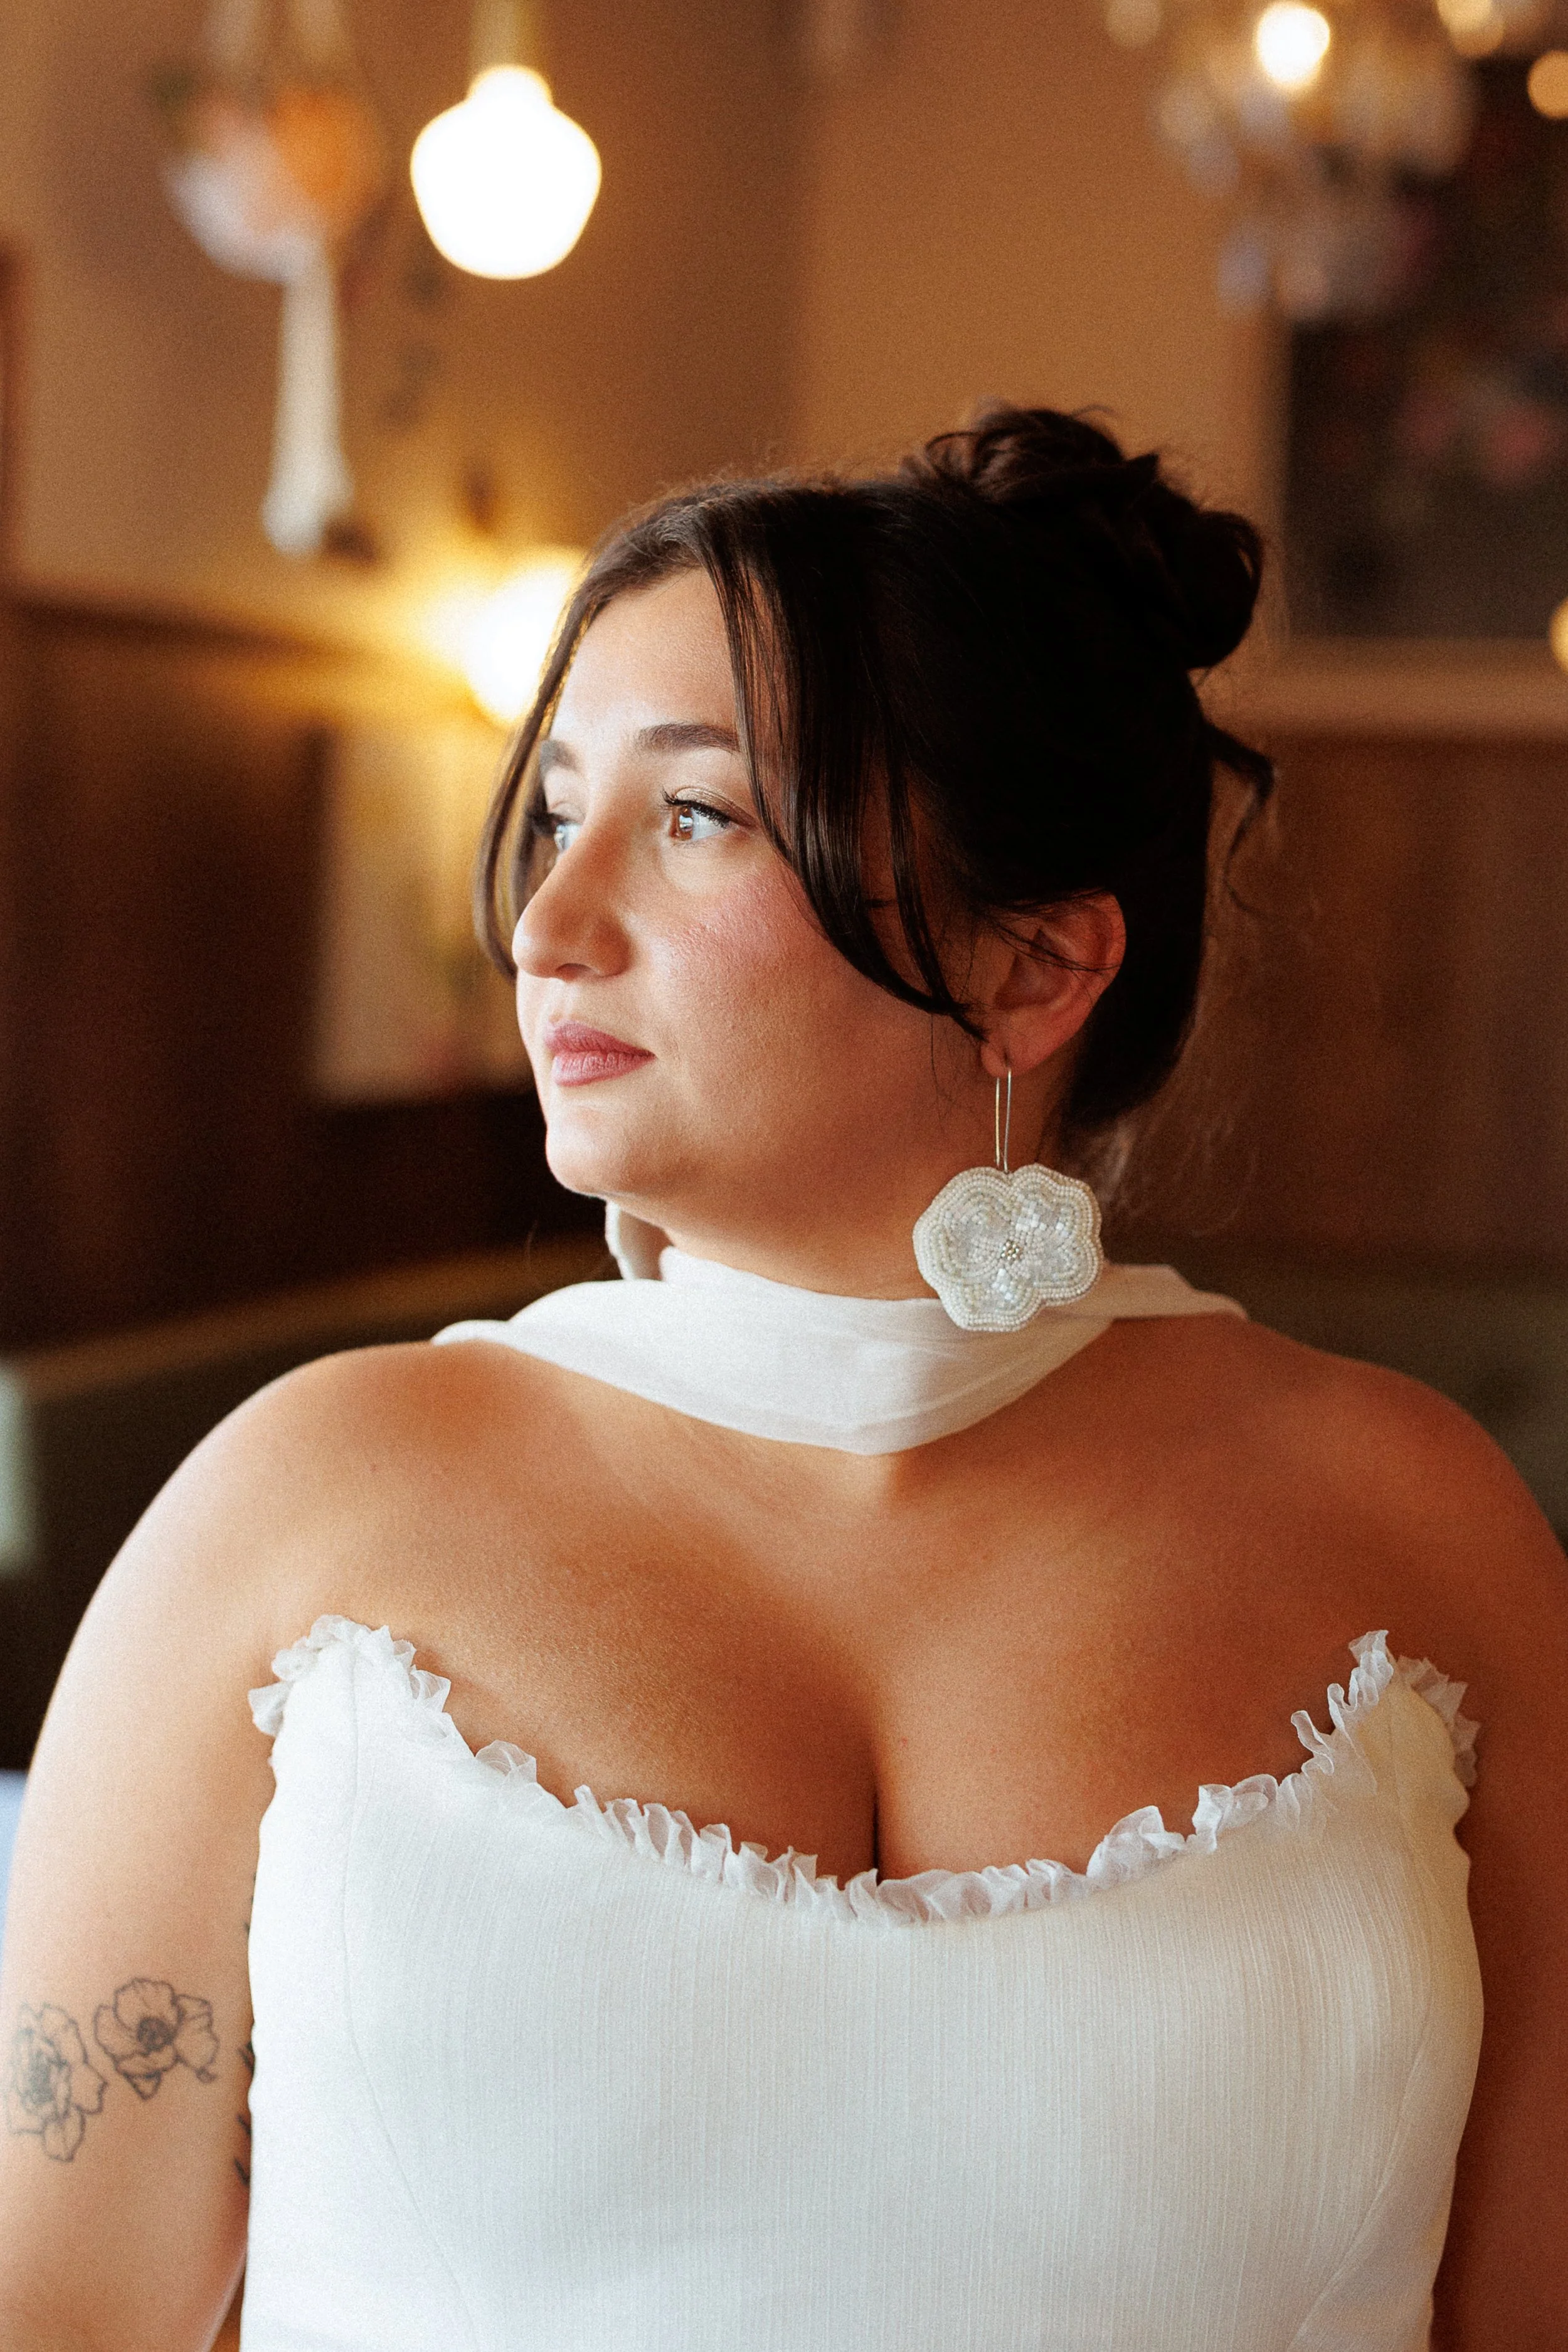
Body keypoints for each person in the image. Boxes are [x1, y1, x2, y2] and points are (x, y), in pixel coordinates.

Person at [1, 405, 1563, 2351]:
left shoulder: (1410, 1522)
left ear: (1032, 966)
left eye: (693, 815)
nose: (545, 927)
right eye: (556, 813)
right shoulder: (299, 1502)